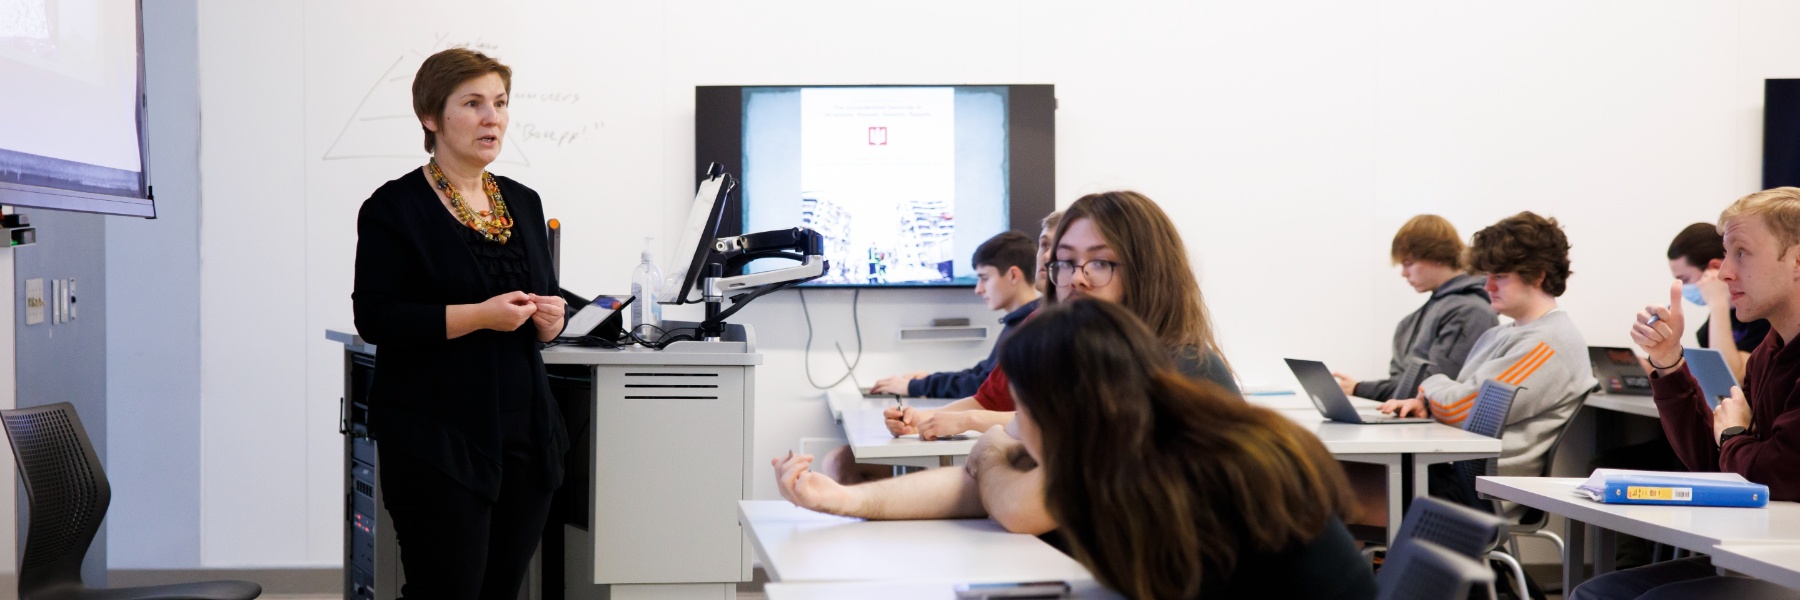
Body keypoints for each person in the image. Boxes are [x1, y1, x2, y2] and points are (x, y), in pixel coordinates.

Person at [773, 190, 1237, 535]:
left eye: (1100, 264)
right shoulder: (1082, 369)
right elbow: (979, 481)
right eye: (1065, 263)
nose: (1075, 281)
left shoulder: (1178, 370)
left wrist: (989, 451)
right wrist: (843, 499)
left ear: (1148, 274)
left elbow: (1024, 505)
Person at [351, 48, 567, 600]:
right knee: (447, 590)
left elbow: (539, 314)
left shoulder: (523, 201)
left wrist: (549, 322)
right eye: (472, 103)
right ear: (431, 117)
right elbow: (376, 317)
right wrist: (482, 316)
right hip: (437, 435)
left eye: (499, 103)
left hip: (523, 433)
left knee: (500, 590)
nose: (492, 117)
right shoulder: (393, 207)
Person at [1003, 299, 1375, 599]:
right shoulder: (1155, 447)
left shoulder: (1173, 479)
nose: (1015, 426)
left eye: (1021, 407)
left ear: (1057, 411)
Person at [1571, 188, 1800, 600]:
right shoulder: (1770, 351)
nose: (1726, 272)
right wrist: (1668, 363)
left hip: (1789, 559)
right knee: (1597, 594)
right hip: (1773, 552)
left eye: (1741, 253)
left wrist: (1732, 436)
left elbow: (1775, 473)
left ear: (1798, 260)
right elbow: (1715, 466)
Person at [1377, 212, 1596, 515]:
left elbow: (1459, 408)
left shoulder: (1547, 343)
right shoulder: (1503, 334)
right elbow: (1460, 402)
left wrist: (1428, 386)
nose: (1487, 286)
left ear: (1537, 275)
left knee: (1343, 484)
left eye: (1500, 277)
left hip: (1481, 490)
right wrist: (1428, 404)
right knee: (1343, 479)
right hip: (1460, 472)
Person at [1334, 215, 1497, 400]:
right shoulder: (1411, 321)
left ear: (1437, 256)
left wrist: (1359, 388)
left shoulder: (1470, 313)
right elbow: (1402, 387)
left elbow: (1433, 389)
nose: (1404, 273)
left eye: (1408, 263)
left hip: (1442, 428)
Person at [869, 230, 1043, 397]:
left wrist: (915, 387)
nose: (978, 289)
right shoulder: (1018, 323)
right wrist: (927, 381)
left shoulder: (1029, 329)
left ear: (1013, 275)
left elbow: (983, 387)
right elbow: (982, 373)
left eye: (984, 278)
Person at [1668, 222, 1772, 379]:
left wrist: (1717, 302)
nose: (1683, 288)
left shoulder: (1765, 315)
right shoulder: (1710, 327)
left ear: (1715, 268)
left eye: (1685, 279)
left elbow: (1731, 377)